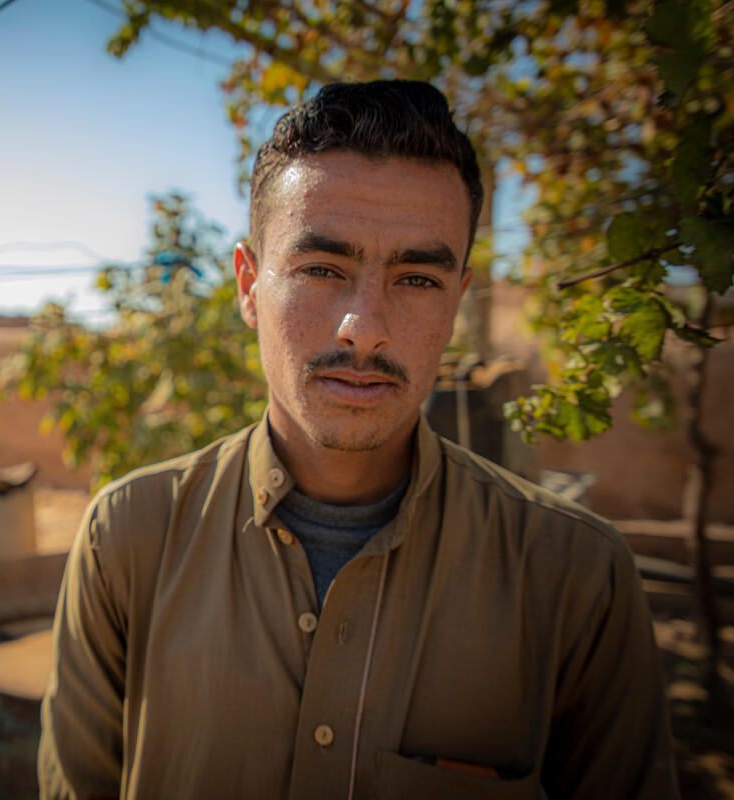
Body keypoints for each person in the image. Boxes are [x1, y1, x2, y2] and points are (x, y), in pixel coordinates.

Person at [39, 80, 678, 799]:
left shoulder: (576, 579)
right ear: (249, 286)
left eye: (417, 279)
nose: (364, 326)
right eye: (321, 270)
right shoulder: (126, 540)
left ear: (458, 301)